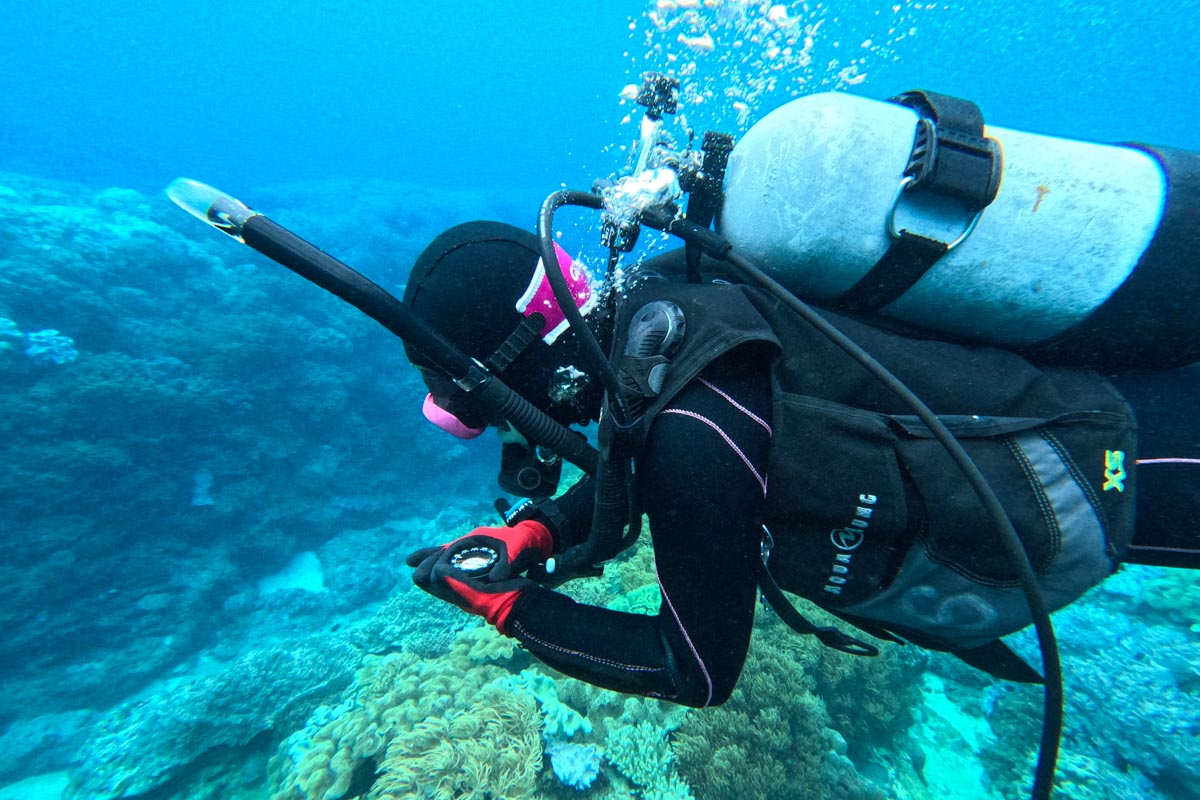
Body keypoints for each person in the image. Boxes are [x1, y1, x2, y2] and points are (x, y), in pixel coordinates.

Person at [401, 219, 1200, 708]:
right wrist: (538, 531)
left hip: (1126, 464)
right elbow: (649, 464)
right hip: (1107, 405)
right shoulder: (660, 307)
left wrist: (515, 611)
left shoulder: (686, 424)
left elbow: (696, 672)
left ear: (514, 367)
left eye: (483, 410)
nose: (508, 435)